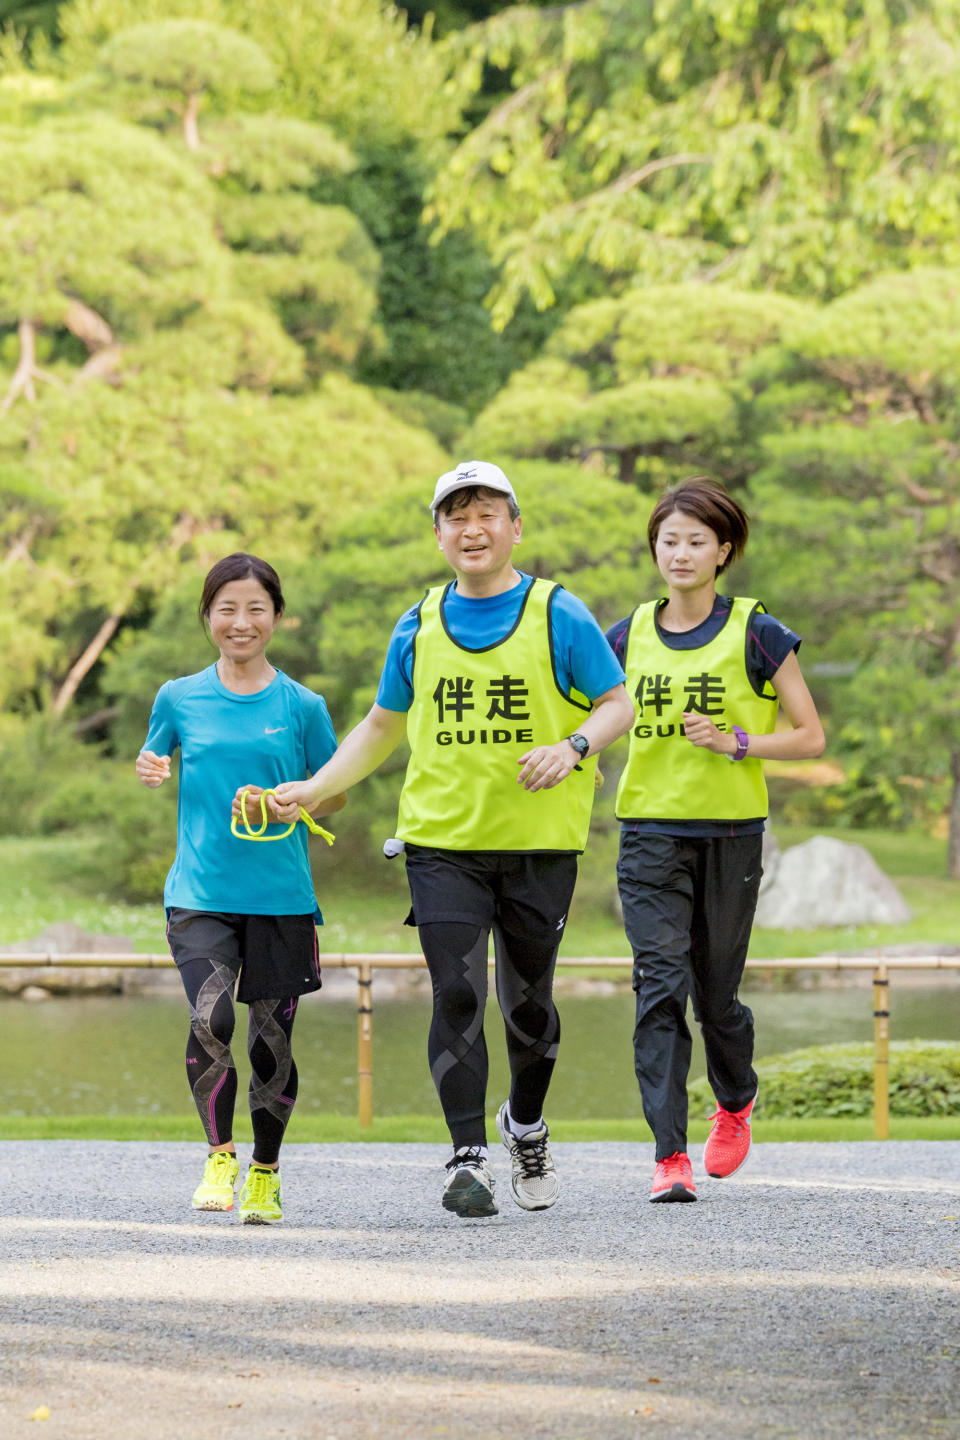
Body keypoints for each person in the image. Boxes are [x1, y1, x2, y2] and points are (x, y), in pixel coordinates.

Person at [268, 461, 634, 1218]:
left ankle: (524, 1127)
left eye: (487, 514)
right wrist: (314, 786)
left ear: (515, 527)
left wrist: (572, 748)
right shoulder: (419, 622)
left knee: (528, 1004)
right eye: (456, 516)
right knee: (459, 992)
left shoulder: (559, 613)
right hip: (441, 843)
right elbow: (379, 727)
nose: (472, 528)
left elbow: (616, 702)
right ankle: (467, 1156)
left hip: (540, 844)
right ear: (438, 535)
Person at [607, 478, 825, 1203]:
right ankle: (669, 1155)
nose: (680, 552)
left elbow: (809, 736)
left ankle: (735, 1101)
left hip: (732, 834)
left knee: (716, 996)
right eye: (669, 539)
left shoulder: (757, 631)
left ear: (723, 551)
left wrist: (739, 742)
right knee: (659, 984)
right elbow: (581, 710)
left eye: (696, 540)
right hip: (648, 833)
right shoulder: (625, 634)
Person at [136, 553, 345, 1224]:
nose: (241, 621)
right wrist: (150, 764)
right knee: (211, 1017)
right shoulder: (178, 696)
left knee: (270, 1040)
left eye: (256, 608)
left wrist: (302, 801)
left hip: (282, 897)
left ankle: (265, 1174)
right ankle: (220, 1155)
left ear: (277, 618)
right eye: (227, 608)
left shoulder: (303, 706)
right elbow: (156, 752)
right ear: (208, 617)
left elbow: (333, 795)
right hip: (199, 890)